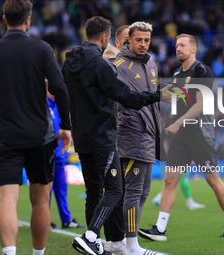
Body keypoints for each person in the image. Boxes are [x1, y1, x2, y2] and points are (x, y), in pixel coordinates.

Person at [62, 16, 172, 255]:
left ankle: (96, 243)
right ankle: (91, 236)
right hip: (103, 137)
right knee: (115, 190)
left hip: (82, 137)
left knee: (93, 193)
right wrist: (157, 96)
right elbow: (128, 97)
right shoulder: (103, 65)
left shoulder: (69, 61)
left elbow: (58, 89)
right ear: (105, 38)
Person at [0, 1, 72, 255]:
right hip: (41, 137)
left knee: (7, 200)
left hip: (6, 139)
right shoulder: (42, 48)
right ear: (28, 20)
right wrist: (67, 126)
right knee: (40, 202)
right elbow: (59, 88)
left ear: (4, 18)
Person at [138, 34, 224, 242]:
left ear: (194, 48)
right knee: (170, 180)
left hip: (199, 134)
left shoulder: (202, 71)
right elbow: (175, 100)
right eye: (176, 45)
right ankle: (160, 229)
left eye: (183, 45)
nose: (178, 48)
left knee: (213, 180)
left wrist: (177, 122)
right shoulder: (176, 74)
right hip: (180, 137)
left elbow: (201, 104)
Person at [113, 21, 166, 255]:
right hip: (132, 134)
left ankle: (127, 242)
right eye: (138, 40)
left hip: (150, 134)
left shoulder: (152, 64)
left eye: (146, 40)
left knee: (143, 192)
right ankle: (130, 245)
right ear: (129, 40)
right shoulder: (119, 65)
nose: (143, 44)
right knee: (133, 192)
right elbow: (125, 99)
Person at [102, 24, 130, 255]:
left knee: (131, 191)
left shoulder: (142, 64)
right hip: (116, 133)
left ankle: (117, 239)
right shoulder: (110, 62)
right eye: (129, 40)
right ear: (118, 43)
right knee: (116, 190)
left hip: (134, 134)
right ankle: (116, 239)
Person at [47, 90, 85, 230]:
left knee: (62, 189)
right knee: (46, 192)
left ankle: (66, 220)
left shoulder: (59, 105)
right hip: (47, 157)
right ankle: (46, 220)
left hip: (59, 157)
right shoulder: (43, 103)